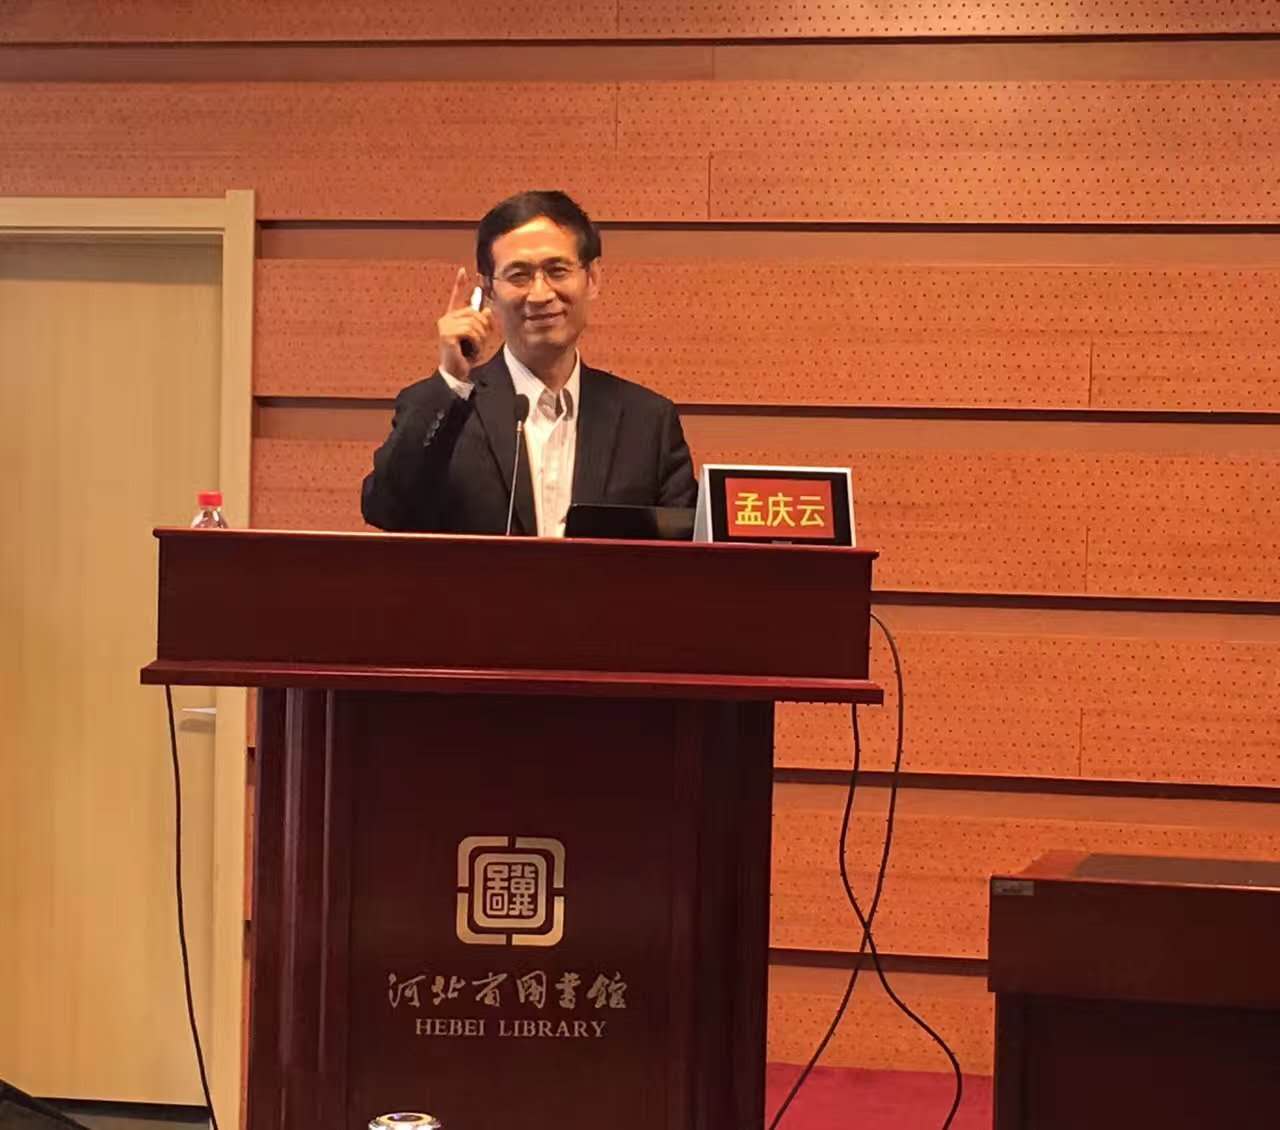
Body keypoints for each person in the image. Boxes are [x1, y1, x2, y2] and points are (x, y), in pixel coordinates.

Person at [360, 190, 696, 535]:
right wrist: (452, 382)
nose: (540, 294)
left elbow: (685, 550)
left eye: (557, 271)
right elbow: (386, 508)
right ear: (488, 291)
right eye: (519, 275)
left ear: (592, 278)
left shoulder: (648, 423)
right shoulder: (444, 408)